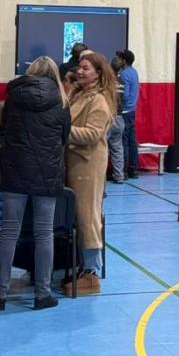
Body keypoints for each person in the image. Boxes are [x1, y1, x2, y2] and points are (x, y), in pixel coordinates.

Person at [0, 57, 70, 311]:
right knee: (44, 233)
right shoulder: (61, 100)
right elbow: (64, 137)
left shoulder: (14, 96)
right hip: (46, 171)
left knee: (9, 232)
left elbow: (7, 129)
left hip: (14, 169)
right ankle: (42, 293)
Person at [65, 50, 115, 296]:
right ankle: (80, 266)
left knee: (88, 216)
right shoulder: (79, 94)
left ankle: (92, 273)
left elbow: (93, 134)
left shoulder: (100, 100)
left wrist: (64, 130)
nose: (80, 71)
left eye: (86, 68)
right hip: (73, 162)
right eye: (80, 67)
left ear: (98, 73)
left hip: (88, 165)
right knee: (76, 216)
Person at [114, 50, 140, 177]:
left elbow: (125, 95)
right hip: (132, 110)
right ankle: (133, 169)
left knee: (123, 141)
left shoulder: (123, 74)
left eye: (119, 58)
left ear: (124, 61)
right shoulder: (134, 72)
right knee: (132, 140)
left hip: (124, 111)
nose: (117, 60)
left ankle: (122, 170)